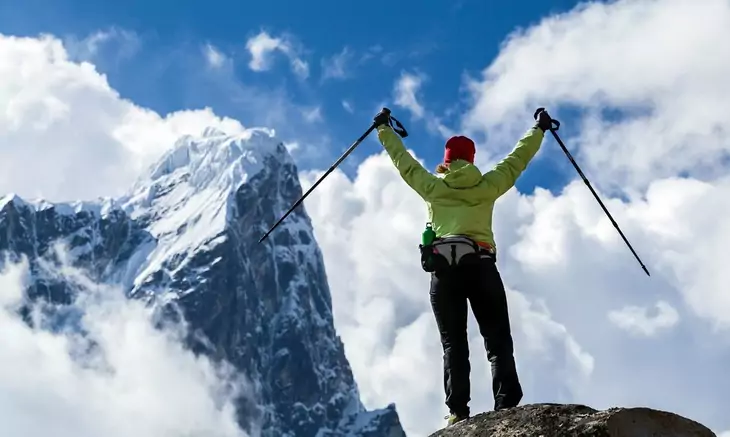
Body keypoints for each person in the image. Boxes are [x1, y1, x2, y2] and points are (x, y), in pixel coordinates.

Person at [373, 107, 554, 426]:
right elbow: (517, 159)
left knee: (453, 344)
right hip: (481, 265)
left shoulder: (433, 187)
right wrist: (538, 129)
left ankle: (457, 412)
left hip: (443, 272)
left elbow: (405, 163)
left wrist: (385, 130)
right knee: (497, 339)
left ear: (447, 160)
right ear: (471, 160)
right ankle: (506, 405)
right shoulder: (487, 186)